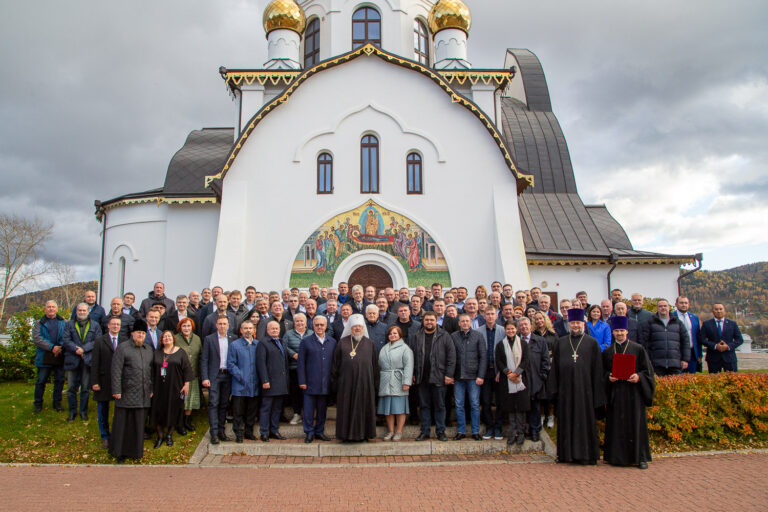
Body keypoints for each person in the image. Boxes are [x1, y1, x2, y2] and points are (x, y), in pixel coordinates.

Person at [546, 308, 605, 465]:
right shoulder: (561, 342)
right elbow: (555, 369)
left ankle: (587, 455)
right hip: (566, 392)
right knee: (566, 422)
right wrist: (554, 391)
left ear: (583, 324)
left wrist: (597, 395)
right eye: (573, 323)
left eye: (578, 323)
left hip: (586, 393)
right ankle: (565, 455)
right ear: (569, 324)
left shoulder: (592, 344)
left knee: (585, 423)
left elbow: (597, 370)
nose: (575, 326)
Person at [603, 316, 655, 469]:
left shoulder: (638, 348)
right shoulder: (607, 352)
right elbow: (602, 373)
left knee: (636, 425)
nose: (619, 334)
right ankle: (616, 458)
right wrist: (608, 377)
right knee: (616, 425)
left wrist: (639, 377)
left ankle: (640, 458)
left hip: (634, 394)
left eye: (622, 331)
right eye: (617, 331)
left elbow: (648, 371)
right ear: (613, 332)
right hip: (616, 394)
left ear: (627, 331)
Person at [110, 319, 154, 463]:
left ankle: (135, 452)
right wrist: (116, 390)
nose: (140, 335)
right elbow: (116, 370)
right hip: (126, 393)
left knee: (138, 424)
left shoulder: (148, 350)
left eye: (143, 333)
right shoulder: (123, 348)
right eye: (138, 333)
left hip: (143, 394)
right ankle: (119, 453)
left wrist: (151, 388)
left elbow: (151, 371)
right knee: (123, 425)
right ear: (132, 333)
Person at [408, 311, 455, 441]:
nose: (429, 322)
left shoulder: (444, 336)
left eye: (431, 320)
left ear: (436, 321)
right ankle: (425, 431)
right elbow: (411, 356)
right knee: (424, 406)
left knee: (440, 405)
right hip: (422, 377)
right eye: (427, 320)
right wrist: (412, 374)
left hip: (439, 377)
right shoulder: (417, 336)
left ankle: (441, 431)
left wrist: (449, 375)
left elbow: (451, 357)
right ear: (423, 321)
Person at [332, 314, 379, 442]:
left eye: (360, 326)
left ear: (363, 328)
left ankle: (364, 434)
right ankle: (345, 435)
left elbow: (374, 365)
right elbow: (336, 364)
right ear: (350, 328)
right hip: (346, 384)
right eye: (354, 327)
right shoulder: (342, 342)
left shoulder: (369, 343)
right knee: (346, 409)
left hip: (365, 384)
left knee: (364, 409)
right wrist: (336, 382)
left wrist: (375, 383)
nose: (357, 329)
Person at [149, 330, 194, 448]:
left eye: (169, 336)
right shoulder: (157, 353)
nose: (167, 338)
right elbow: (152, 371)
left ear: (173, 338)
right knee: (157, 411)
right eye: (164, 337)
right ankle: (160, 436)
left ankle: (169, 435)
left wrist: (186, 384)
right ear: (161, 340)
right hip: (159, 387)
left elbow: (187, 369)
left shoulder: (180, 352)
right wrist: (150, 388)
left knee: (173, 410)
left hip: (175, 387)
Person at [298, 316, 337, 443]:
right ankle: (309, 432)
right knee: (308, 411)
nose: (319, 327)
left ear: (326, 326)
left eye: (322, 325)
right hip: (310, 383)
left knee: (322, 410)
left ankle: (319, 431)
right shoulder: (306, 341)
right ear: (313, 326)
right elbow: (301, 363)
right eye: (317, 325)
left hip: (325, 383)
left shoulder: (332, 342)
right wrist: (302, 381)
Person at [62, 303, 102, 421]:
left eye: (84, 310)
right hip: (72, 359)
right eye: (80, 310)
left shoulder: (95, 325)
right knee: (71, 388)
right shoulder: (69, 324)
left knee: (85, 388)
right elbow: (65, 339)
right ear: (76, 311)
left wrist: (83, 349)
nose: (82, 312)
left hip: (87, 359)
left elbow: (97, 340)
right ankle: (72, 412)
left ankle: (83, 411)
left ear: (88, 311)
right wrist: (76, 349)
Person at [451, 313, 487, 441]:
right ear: (459, 323)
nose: (465, 323)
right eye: (462, 321)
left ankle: (475, 431)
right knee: (459, 404)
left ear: (470, 322)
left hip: (473, 377)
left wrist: (481, 375)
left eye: (467, 321)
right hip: (458, 376)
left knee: (474, 404)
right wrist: (450, 375)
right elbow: (451, 357)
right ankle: (461, 431)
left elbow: (483, 357)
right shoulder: (453, 336)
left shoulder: (478, 336)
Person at [91, 316, 126, 448]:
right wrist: (94, 381)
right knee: (102, 410)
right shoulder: (100, 341)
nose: (116, 326)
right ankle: (105, 436)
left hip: (119, 381)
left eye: (118, 324)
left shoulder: (124, 341)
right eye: (113, 324)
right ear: (108, 326)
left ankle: (117, 435)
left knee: (119, 410)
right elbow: (95, 363)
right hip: (103, 380)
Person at [495, 320, 531, 445]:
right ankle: (513, 431)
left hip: (521, 380)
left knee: (521, 407)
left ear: (517, 329)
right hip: (507, 380)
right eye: (508, 329)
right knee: (511, 408)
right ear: (505, 330)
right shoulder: (500, 345)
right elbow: (499, 361)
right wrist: (509, 373)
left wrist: (517, 373)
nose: (510, 331)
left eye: (512, 329)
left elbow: (526, 360)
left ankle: (521, 432)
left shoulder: (523, 344)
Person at [201, 315, 236, 444]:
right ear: (216, 325)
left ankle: (222, 431)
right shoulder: (209, 339)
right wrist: (205, 377)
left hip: (228, 375)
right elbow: (204, 359)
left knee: (224, 404)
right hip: (214, 375)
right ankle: (214, 433)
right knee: (213, 403)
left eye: (224, 324)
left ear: (228, 325)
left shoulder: (233, 339)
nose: (222, 326)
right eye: (220, 324)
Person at [378, 326, 414, 441]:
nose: (392, 335)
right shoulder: (384, 348)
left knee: (399, 408)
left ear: (400, 335)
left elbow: (409, 366)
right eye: (390, 333)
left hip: (399, 380)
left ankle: (399, 431)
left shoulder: (405, 348)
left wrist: (406, 382)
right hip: (386, 380)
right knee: (388, 408)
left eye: (395, 333)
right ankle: (390, 431)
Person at [256, 321, 290, 442]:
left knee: (277, 408)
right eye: (272, 329)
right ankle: (264, 432)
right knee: (266, 408)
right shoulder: (263, 343)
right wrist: (265, 380)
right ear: (267, 330)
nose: (275, 330)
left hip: (281, 382)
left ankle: (274, 431)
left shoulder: (281, 342)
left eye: (276, 328)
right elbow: (261, 363)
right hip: (269, 382)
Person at [517, 317, 550, 442]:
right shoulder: (516, 341)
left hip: (536, 379)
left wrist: (542, 376)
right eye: (521, 325)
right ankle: (522, 430)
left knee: (535, 406)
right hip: (520, 380)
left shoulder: (540, 341)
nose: (524, 327)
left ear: (530, 326)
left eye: (526, 325)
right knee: (522, 407)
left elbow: (545, 360)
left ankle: (535, 430)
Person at [227, 319, 260, 443]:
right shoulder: (235, 345)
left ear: (254, 330)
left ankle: (249, 432)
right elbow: (230, 364)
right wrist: (241, 377)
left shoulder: (257, 345)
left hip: (254, 385)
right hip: (239, 385)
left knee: (251, 411)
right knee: (238, 411)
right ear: (241, 330)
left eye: (250, 328)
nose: (248, 330)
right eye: (245, 328)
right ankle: (239, 434)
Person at [475, 308, 505, 440]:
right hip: (485, 370)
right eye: (487, 314)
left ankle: (498, 427)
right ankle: (489, 426)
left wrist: (500, 371)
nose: (490, 316)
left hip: (499, 370)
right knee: (486, 401)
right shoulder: (478, 331)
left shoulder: (503, 331)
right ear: (484, 315)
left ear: (496, 315)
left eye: (492, 314)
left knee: (500, 401)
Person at [32, 301, 67, 413]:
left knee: (59, 380)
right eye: (49, 307)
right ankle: (38, 403)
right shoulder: (39, 323)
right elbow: (37, 339)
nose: (51, 309)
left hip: (59, 355)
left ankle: (57, 403)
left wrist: (60, 347)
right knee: (41, 381)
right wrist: (52, 347)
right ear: (45, 309)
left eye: (53, 307)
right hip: (44, 355)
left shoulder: (63, 322)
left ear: (57, 309)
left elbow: (66, 336)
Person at [640, 299, 690, 376]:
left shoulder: (677, 322)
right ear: (657, 308)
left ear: (669, 307)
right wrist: (647, 359)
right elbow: (644, 343)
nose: (663, 308)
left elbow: (685, 342)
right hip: (656, 364)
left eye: (665, 306)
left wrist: (685, 359)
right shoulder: (650, 323)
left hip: (675, 364)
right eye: (660, 306)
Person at [284, 313, 313, 425]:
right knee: (295, 392)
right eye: (297, 321)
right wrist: (293, 354)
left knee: (306, 392)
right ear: (294, 323)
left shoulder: (311, 333)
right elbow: (283, 346)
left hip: (308, 369)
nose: (300, 323)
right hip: (294, 367)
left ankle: (307, 413)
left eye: (302, 321)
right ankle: (296, 414)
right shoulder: (288, 334)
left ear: (306, 322)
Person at [174, 317, 202, 434]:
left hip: (193, 375)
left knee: (190, 400)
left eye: (189, 326)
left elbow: (200, 355)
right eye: (184, 326)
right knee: (181, 400)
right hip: (179, 376)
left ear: (192, 327)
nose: (186, 328)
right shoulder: (175, 339)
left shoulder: (197, 339)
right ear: (180, 327)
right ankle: (179, 423)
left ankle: (187, 422)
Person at [701, 303, 744, 373]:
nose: (719, 311)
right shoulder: (706, 324)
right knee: (714, 381)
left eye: (721, 309)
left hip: (729, 357)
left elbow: (739, 340)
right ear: (713, 311)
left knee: (732, 380)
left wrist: (728, 346)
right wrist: (715, 346)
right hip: (713, 357)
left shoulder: (732, 324)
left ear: (724, 310)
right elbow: (702, 339)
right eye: (716, 309)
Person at [675, 296, 702, 373]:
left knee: (691, 378)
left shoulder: (694, 317)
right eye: (681, 303)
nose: (684, 305)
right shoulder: (671, 317)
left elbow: (697, 336)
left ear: (689, 304)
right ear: (676, 304)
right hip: (677, 352)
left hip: (692, 353)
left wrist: (699, 354)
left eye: (686, 303)